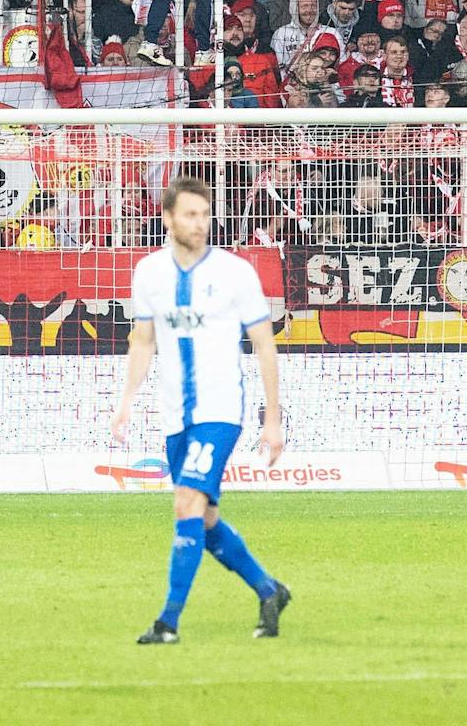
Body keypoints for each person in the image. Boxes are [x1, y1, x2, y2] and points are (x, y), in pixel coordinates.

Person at [110, 175, 289, 645]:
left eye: (205, 214)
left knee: (185, 502)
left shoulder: (235, 273)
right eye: (190, 214)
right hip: (176, 415)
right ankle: (268, 590)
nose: (199, 223)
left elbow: (265, 345)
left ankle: (167, 623)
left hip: (220, 409)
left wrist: (272, 420)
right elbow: (143, 341)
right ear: (168, 218)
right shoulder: (149, 273)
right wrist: (126, 401)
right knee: (204, 519)